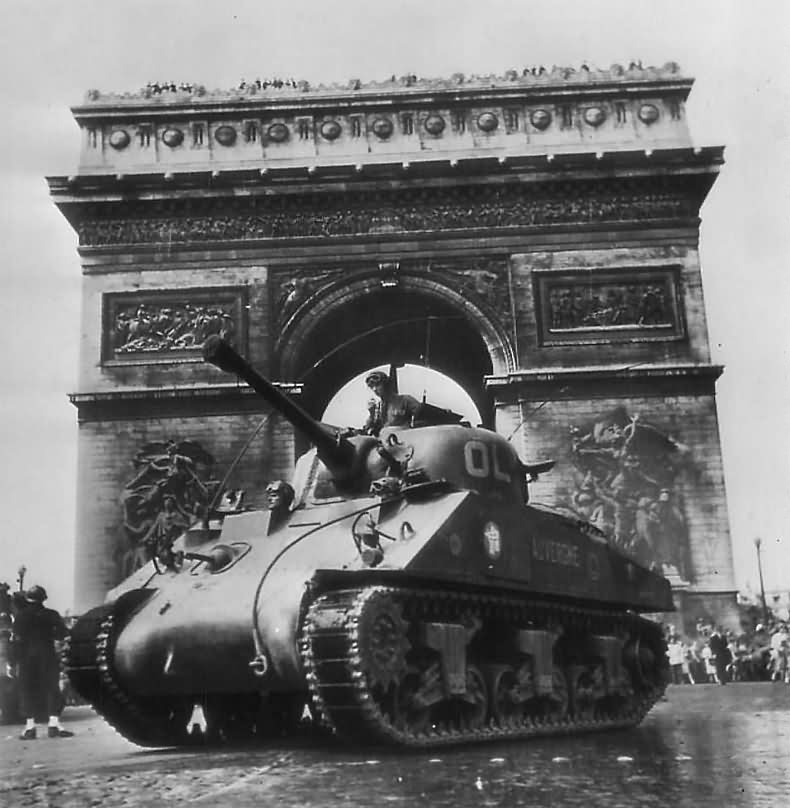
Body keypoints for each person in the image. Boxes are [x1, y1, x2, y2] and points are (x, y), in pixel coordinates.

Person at [13, 585, 73, 740]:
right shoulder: (51, 615)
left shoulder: (21, 616)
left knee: (27, 690)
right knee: (52, 688)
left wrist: (13, 661)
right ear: (44, 598)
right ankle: (53, 725)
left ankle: (30, 728)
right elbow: (62, 634)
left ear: (28, 598)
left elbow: (17, 639)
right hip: (47, 655)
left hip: (26, 657)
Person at [362, 370, 421, 436]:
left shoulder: (405, 400)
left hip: (403, 438)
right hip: (385, 439)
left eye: (377, 385)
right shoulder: (377, 407)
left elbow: (423, 415)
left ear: (386, 384)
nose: (374, 389)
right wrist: (371, 414)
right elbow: (369, 429)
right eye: (372, 386)